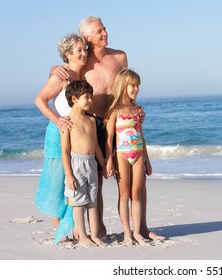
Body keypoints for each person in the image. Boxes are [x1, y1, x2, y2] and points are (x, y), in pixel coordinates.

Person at [52, 16, 164, 241]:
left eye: (105, 29)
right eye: (99, 31)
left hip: (120, 121)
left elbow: (127, 87)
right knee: (96, 177)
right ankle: (99, 229)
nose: (105, 33)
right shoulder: (83, 61)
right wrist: (54, 67)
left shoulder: (119, 56)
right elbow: (66, 70)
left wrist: (135, 109)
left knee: (136, 176)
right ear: (87, 37)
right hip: (94, 123)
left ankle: (141, 227)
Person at [34, 33, 88, 244]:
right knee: (57, 182)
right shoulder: (61, 75)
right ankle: (61, 230)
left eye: (84, 49)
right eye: (79, 50)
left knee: (72, 181)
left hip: (76, 137)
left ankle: (72, 228)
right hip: (58, 135)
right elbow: (40, 100)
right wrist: (57, 120)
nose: (83, 53)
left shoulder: (80, 77)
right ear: (68, 54)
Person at [104, 69, 151, 244]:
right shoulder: (114, 111)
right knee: (124, 195)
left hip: (138, 154)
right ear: (123, 85)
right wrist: (109, 161)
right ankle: (126, 233)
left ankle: (137, 231)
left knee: (136, 194)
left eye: (138, 85)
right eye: (132, 85)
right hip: (122, 155)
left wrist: (147, 160)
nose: (136, 89)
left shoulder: (137, 110)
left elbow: (141, 135)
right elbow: (109, 139)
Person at [61, 80, 107, 247]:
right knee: (78, 202)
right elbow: (65, 151)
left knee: (92, 200)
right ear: (74, 98)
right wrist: (69, 174)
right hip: (76, 163)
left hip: (91, 164)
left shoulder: (92, 120)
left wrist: (103, 165)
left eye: (91, 97)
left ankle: (94, 235)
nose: (90, 101)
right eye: (87, 97)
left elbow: (95, 145)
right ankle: (83, 236)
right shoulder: (67, 122)